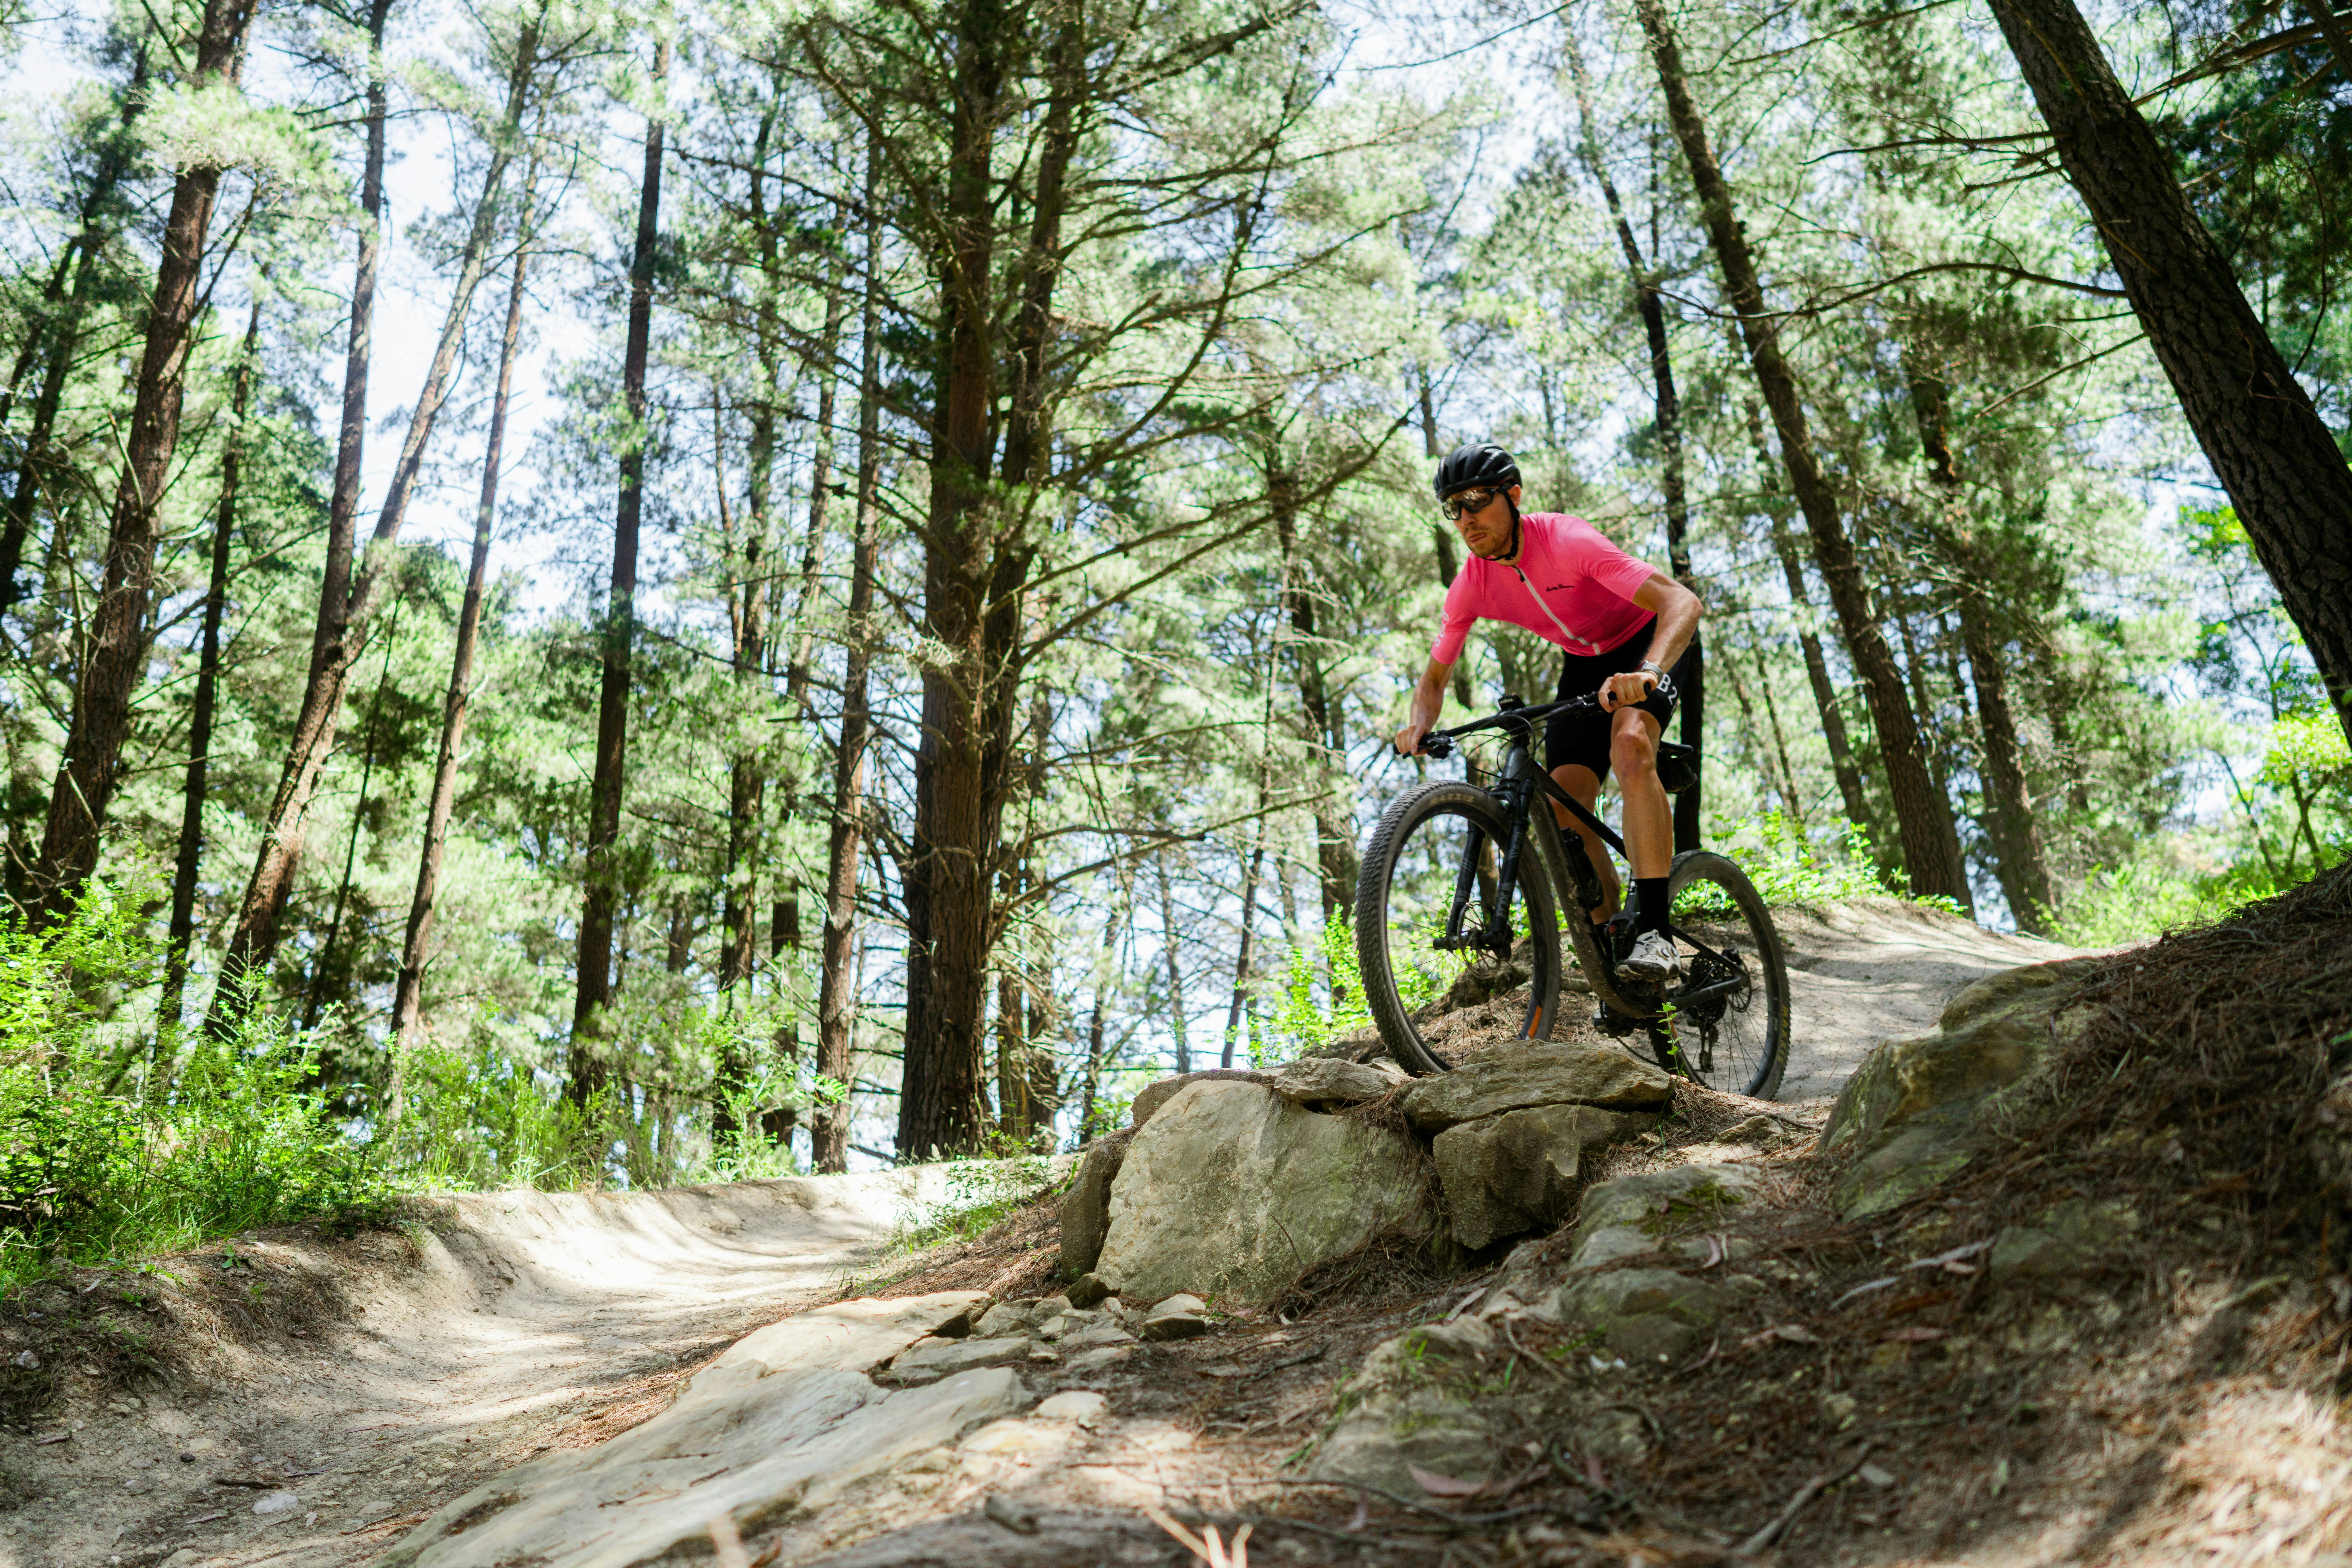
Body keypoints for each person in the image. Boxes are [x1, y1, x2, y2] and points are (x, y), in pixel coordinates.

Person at [1391, 442, 1703, 982]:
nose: (1466, 519)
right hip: (1584, 664)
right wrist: (1420, 721)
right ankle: (1612, 953)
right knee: (1565, 805)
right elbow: (1435, 677)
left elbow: (1683, 603)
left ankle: (1656, 930)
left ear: (1513, 496)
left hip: (1647, 643)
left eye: (1476, 502)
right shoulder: (1472, 583)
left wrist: (1648, 672)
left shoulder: (1565, 540)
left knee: (1630, 745)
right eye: (1454, 508)